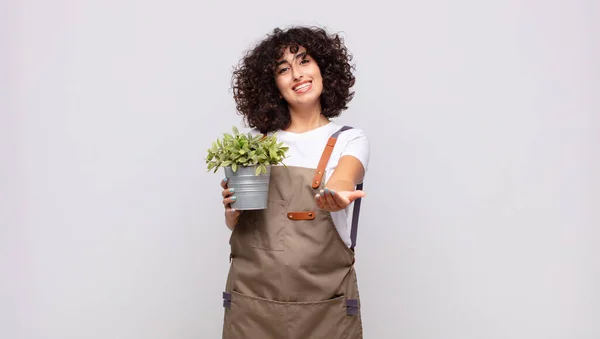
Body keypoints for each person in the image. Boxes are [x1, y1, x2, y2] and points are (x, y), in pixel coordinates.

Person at [219, 26, 369, 339]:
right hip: (252, 311)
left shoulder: (349, 140)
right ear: (273, 84)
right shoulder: (253, 145)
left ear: (323, 69)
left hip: (325, 313)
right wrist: (232, 212)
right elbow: (240, 224)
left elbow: (346, 174)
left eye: (304, 62)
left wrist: (338, 194)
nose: (297, 74)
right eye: (284, 69)